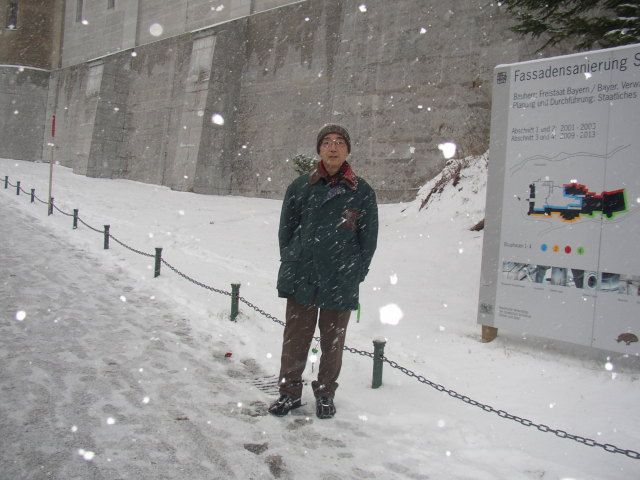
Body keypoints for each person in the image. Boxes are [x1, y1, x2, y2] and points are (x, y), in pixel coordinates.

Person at [269, 124, 378, 419]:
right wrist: (293, 259)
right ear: (319, 149)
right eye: (327, 142)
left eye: (340, 142)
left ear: (348, 150)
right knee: (295, 338)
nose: (333, 147)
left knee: (333, 342)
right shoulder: (300, 187)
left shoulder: (361, 191)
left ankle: (326, 393)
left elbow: (368, 240)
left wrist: (355, 272)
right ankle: (289, 392)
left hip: (341, 276)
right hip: (302, 273)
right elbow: (286, 231)